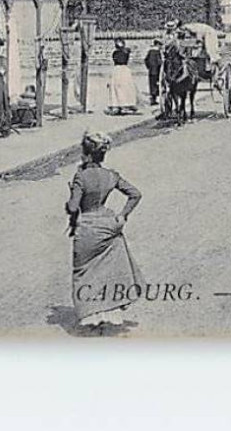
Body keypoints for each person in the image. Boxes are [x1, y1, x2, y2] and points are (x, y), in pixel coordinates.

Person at [66, 131, 142, 330]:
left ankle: (89, 314)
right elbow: (135, 194)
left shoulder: (80, 177)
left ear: (87, 155)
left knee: (82, 271)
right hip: (108, 224)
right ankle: (109, 309)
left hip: (88, 226)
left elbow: (73, 207)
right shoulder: (111, 175)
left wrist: (71, 198)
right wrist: (122, 215)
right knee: (108, 268)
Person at [108, 38, 138, 114]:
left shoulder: (123, 52)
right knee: (117, 86)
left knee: (125, 86)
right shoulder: (117, 53)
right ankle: (117, 105)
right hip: (119, 69)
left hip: (122, 69)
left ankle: (125, 104)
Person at [143, 39, 163, 105]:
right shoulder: (157, 52)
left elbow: (146, 60)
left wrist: (149, 67)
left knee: (151, 84)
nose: (161, 47)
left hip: (151, 71)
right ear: (157, 45)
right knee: (156, 84)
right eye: (160, 45)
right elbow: (159, 62)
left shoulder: (150, 51)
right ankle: (153, 99)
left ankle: (152, 98)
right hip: (157, 71)